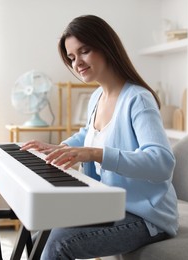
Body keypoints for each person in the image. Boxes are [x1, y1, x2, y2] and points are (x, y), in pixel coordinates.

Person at [20, 15, 178, 259]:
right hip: (107, 207)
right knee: (37, 230)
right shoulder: (97, 97)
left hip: (144, 217)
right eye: (72, 58)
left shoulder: (138, 99)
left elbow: (161, 162)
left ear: (106, 47)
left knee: (57, 246)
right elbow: (90, 134)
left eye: (84, 51)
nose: (77, 63)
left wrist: (95, 154)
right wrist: (59, 148)